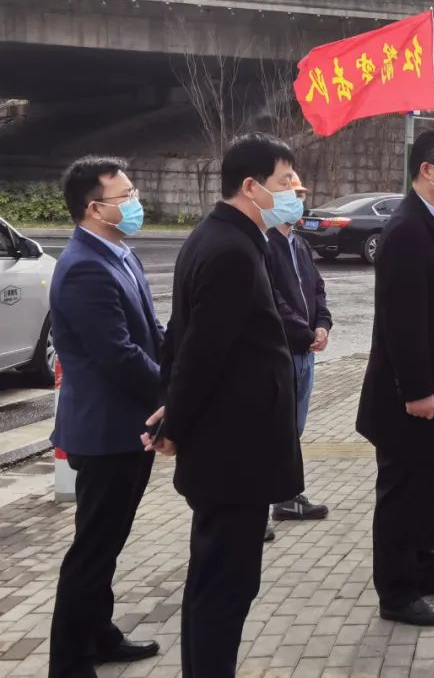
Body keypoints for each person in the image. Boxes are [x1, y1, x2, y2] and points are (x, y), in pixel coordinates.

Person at [143, 133, 304, 676]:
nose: (294, 191)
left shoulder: (221, 236)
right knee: (225, 585)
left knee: (215, 580)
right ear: (251, 186)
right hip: (234, 452)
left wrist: (172, 408)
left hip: (228, 448)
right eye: (285, 182)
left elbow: (182, 335)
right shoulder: (231, 250)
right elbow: (200, 350)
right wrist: (175, 424)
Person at [357, 129, 434, 626]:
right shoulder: (407, 229)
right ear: (428, 170)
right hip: (409, 396)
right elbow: (401, 320)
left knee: (429, 485)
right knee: (403, 495)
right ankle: (397, 592)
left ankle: (426, 567)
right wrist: (418, 389)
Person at [49, 157, 162, 677]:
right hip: (104, 432)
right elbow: (117, 355)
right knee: (92, 550)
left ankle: (99, 634)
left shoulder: (119, 252)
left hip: (128, 427)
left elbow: (150, 333)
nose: (135, 202)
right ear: (95, 208)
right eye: (126, 196)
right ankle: (70, 662)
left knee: (107, 544)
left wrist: (178, 368)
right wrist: (171, 390)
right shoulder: (84, 267)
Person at [267, 172, 331, 528]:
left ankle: (287, 496)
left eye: (301, 195)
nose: (298, 202)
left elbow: (317, 290)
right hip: (282, 352)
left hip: (305, 352)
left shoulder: (300, 245)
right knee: (272, 431)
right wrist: (304, 332)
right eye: (292, 194)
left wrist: (322, 325)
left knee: (294, 429)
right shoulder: (264, 244)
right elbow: (272, 299)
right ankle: (259, 502)